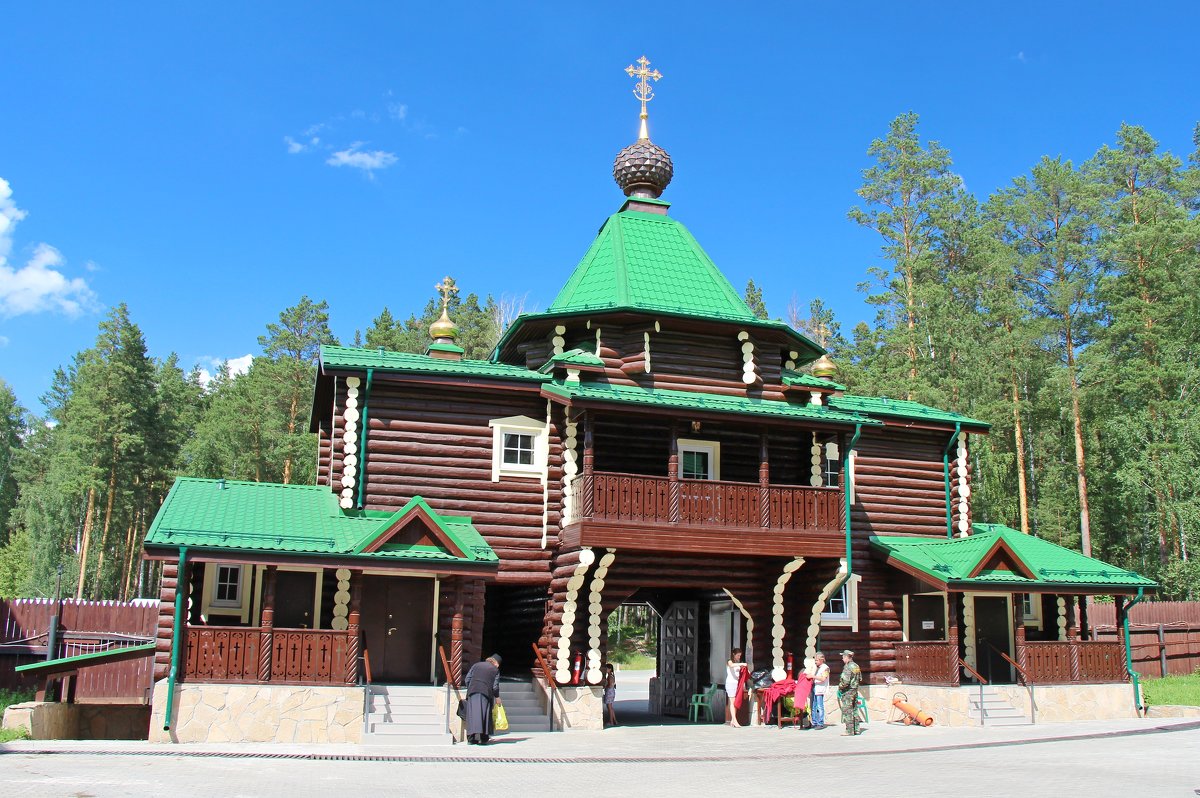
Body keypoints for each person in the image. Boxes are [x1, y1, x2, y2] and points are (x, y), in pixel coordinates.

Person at [463, 653, 502, 745]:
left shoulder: (476, 665)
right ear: (496, 663)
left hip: (472, 692)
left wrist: (471, 687)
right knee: (484, 714)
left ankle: (471, 739)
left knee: (472, 715)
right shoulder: (495, 670)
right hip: (485, 693)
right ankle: (483, 738)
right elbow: (495, 686)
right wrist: (497, 697)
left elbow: (467, 679)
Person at [837, 649, 862, 736]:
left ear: (847, 657)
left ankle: (849, 730)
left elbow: (845, 681)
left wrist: (840, 687)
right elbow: (860, 679)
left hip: (848, 692)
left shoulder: (848, 667)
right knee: (855, 710)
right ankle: (856, 729)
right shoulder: (856, 666)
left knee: (848, 711)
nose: (842, 659)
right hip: (855, 690)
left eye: (843, 657)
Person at [725, 647, 748, 727]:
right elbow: (731, 665)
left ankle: (732, 720)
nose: (739, 657)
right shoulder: (729, 661)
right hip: (730, 683)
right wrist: (741, 664)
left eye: (740, 655)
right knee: (732, 701)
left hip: (736, 684)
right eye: (738, 655)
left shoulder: (738, 662)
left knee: (735, 702)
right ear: (734, 654)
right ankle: (734, 720)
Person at [811, 652, 830, 729]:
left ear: (821, 660)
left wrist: (813, 676)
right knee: (814, 706)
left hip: (820, 688)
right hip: (815, 687)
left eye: (817, 660)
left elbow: (823, 678)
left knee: (819, 706)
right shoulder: (817, 667)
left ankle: (820, 722)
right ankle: (814, 722)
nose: (816, 662)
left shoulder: (826, 668)